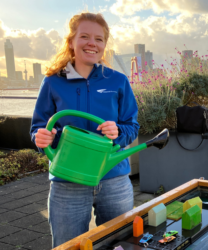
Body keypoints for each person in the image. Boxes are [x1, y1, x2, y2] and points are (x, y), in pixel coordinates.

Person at [29, 12, 139, 248]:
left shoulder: (118, 81)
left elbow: (132, 126)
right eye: (85, 36)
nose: (92, 43)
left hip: (114, 179)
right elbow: (38, 128)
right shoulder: (52, 82)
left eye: (99, 39)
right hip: (67, 182)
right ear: (71, 41)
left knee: (119, 245)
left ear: (104, 45)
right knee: (68, 246)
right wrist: (42, 138)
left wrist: (118, 131)